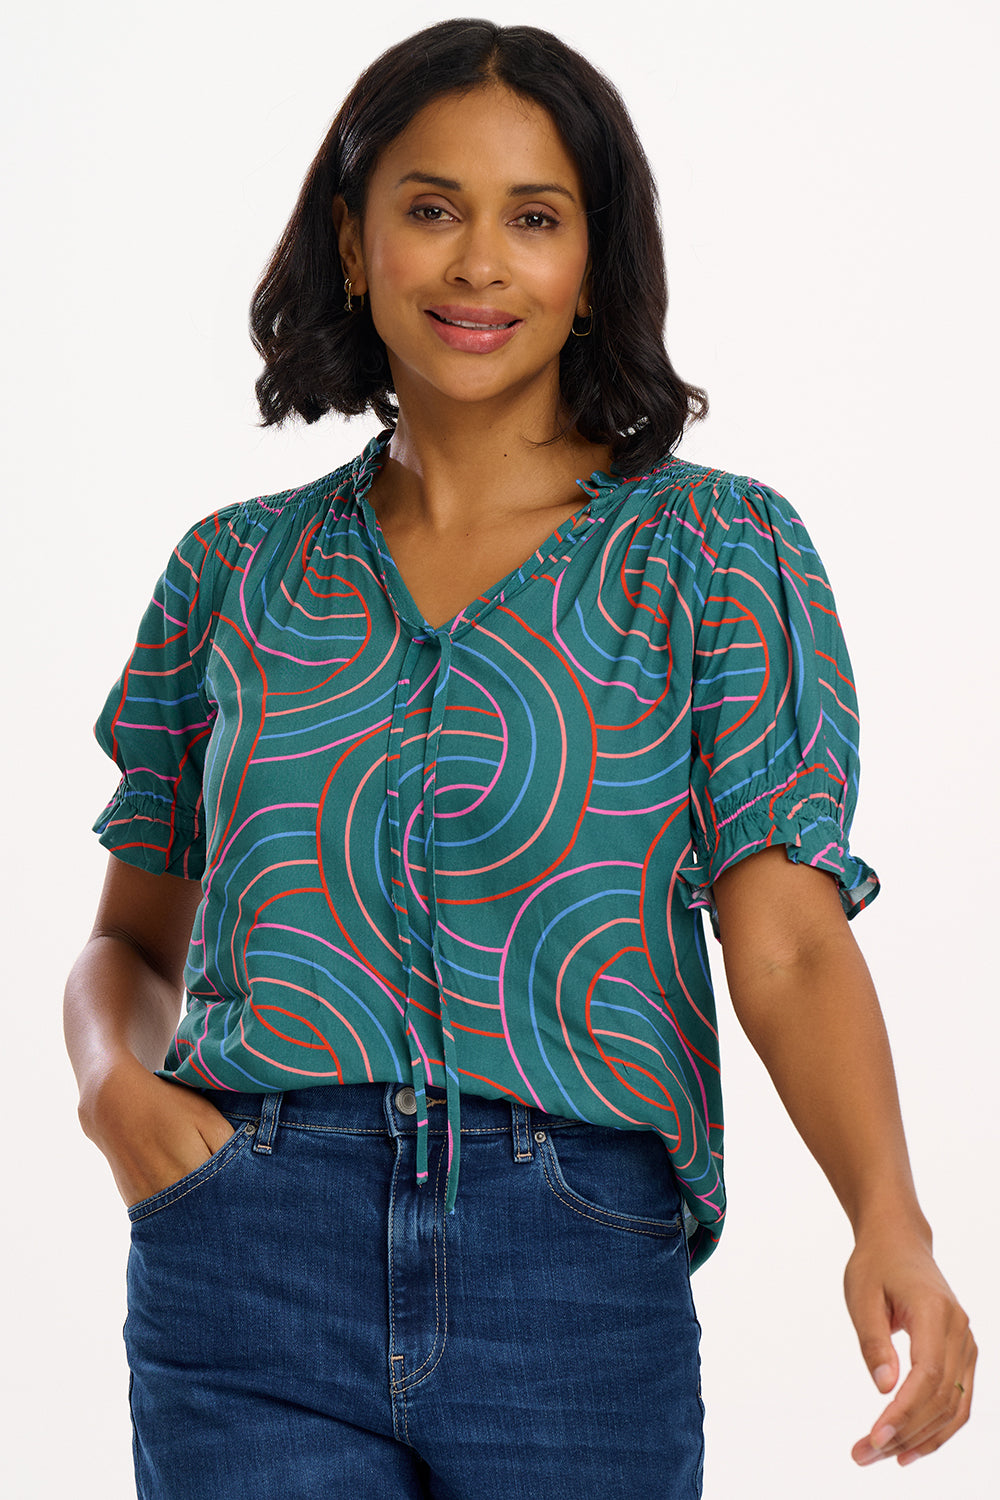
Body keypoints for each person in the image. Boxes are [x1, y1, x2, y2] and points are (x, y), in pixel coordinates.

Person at [63, 17, 975, 1498]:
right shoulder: (234, 572)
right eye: (432, 209)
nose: (479, 262)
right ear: (353, 245)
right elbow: (127, 941)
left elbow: (790, 942)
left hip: (572, 1266)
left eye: (535, 219)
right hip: (245, 1256)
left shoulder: (713, 555)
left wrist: (891, 1219)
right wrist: (115, 1095)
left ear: (594, 265)